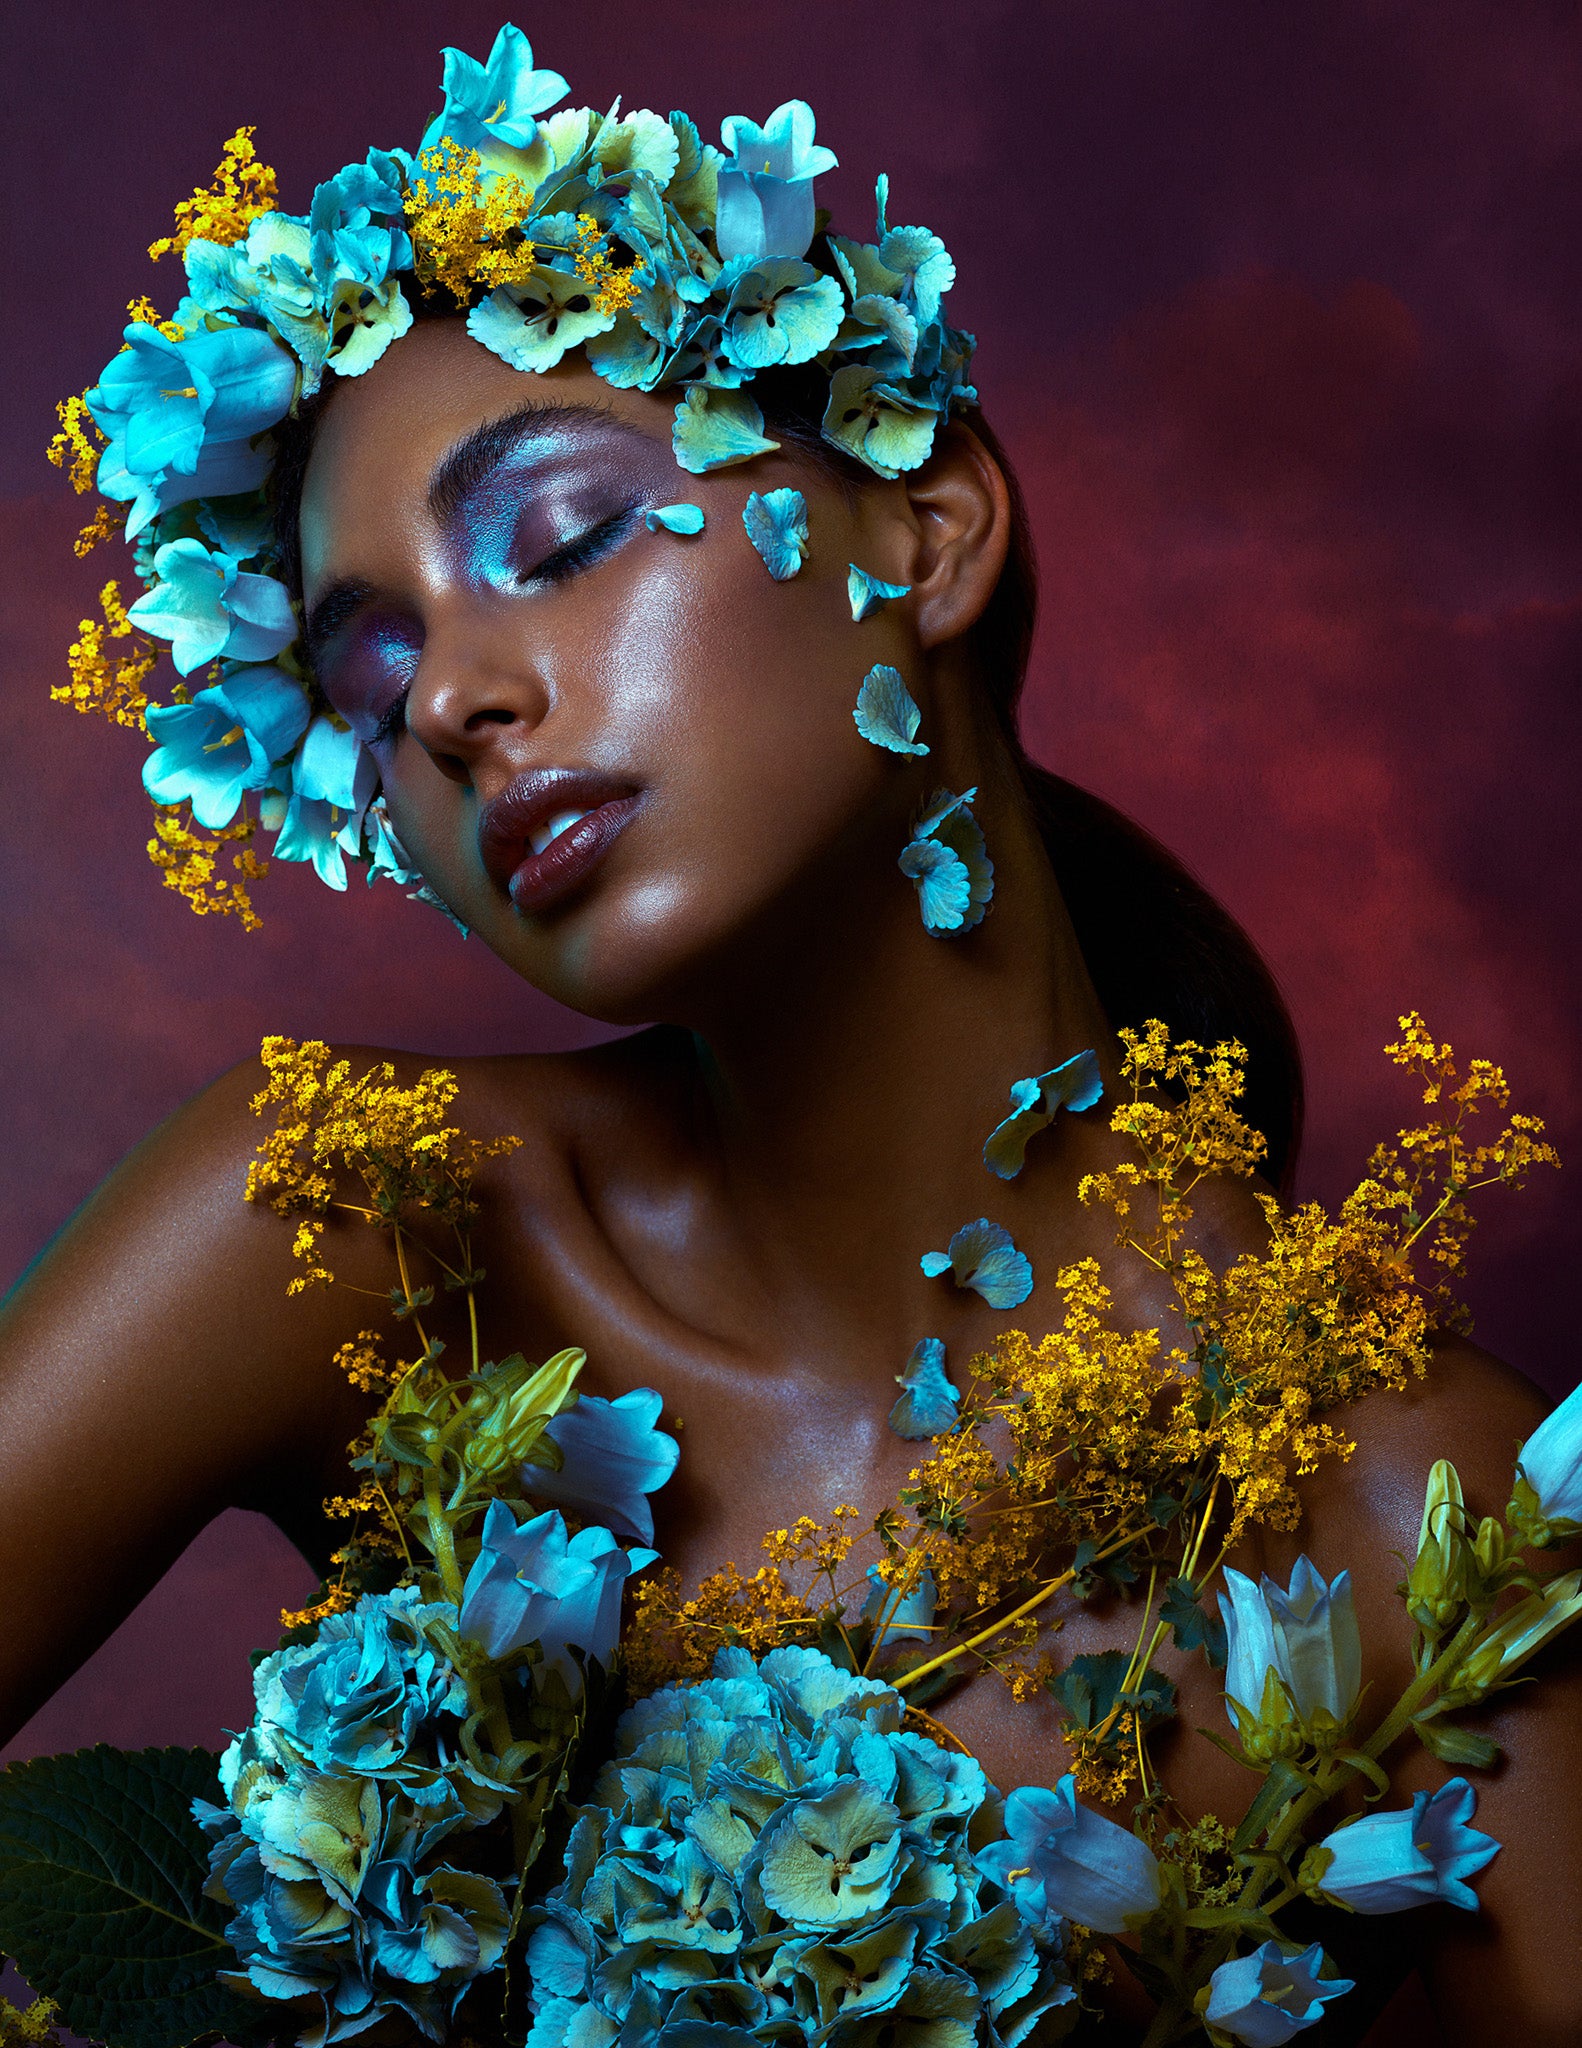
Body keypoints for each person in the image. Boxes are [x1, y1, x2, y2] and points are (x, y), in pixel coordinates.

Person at [6, 29, 1579, 2046]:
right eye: (369, 670)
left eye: (560, 538)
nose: (455, 702)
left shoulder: (1407, 1529)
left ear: (920, 530)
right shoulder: (359, 1227)